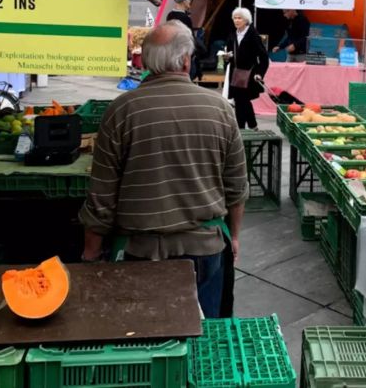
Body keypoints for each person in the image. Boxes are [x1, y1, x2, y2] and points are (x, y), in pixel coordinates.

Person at [79, 21, 247, 318]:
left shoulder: (121, 110)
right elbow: (236, 185)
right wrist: (233, 237)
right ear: (185, 60)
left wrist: (91, 251)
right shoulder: (220, 109)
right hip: (204, 249)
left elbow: (101, 194)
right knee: (203, 338)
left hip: (140, 251)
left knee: (145, 338)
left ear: (144, 61)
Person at [225, 8, 269, 130]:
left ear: (246, 20)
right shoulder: (233, 34)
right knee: (242, 101)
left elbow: (264, 57)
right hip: (236, 74)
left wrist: (260, 73)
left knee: (241, 102)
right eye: (235, 18)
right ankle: (253, 126)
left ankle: (240, 129)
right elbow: (230, 52)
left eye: (240, 18)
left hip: (249, 74)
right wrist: (227, 57)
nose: (237, 20)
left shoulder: (253, 35)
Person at [166, 0, 205, 80]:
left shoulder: (170, 15)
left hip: (173, 49)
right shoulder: (184, 17)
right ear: (184, 1)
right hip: (185, 50)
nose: (190, 2)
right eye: (189, 0)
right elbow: (189, 35)